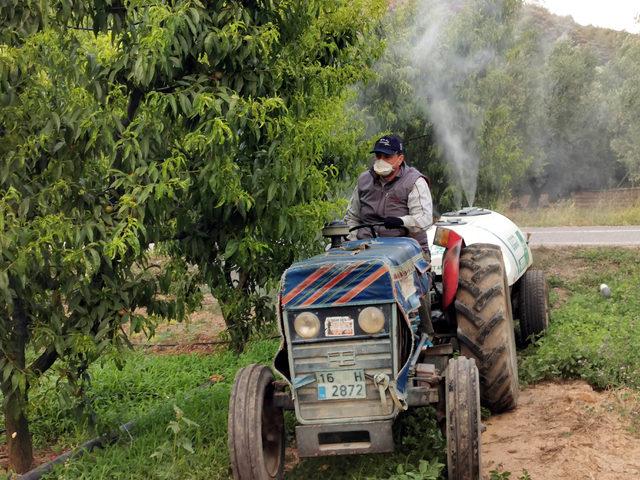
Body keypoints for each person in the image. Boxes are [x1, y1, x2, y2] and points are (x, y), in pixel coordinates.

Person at [344, 134, 433, 260]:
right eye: (378, 156)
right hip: (366, 249)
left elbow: (425, 219)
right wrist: (353, 242)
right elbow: (351, 217)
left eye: (387, 157)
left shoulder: (415, 181)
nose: (381, 161)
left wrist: (402, 222)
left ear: (400, 158)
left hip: (406, 251)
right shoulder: (364, 180)